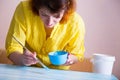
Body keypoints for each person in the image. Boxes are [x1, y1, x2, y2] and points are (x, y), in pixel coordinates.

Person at [5, 0, 85, 70]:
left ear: (66, 9)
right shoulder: (24, 9)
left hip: (58, 73)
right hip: (25, 69)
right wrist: (22, 59)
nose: (49, 22)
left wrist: (70, 59)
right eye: (44, 14)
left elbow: (77, 54)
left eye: (56, 16)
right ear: (36, 7)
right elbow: (13, 46)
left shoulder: (76, 23)